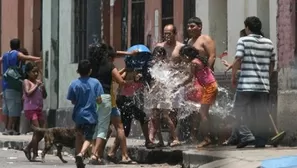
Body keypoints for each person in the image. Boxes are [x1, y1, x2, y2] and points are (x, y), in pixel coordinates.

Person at [231, 16, 275, 148]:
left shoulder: (243, 40)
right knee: (261, 114)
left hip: (246, 84)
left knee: (236, 111)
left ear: (247, 28)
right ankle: (261, 141)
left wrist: (233, 77)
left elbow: (238, 59)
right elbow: (272, 63)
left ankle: (246, 135)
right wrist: (267, 77)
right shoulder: (269, 43)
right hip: (263, 85)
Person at [88, 43, 134, 164]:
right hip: (108, 100)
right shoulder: (109, 65)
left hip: (94, 99)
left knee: (98, 128)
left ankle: (96, 155)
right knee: (119, 127)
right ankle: (124, 156)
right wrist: (131, 80)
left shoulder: (92, 66)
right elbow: (120, 81)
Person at [178, 45, 218, 148]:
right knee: (205, 114)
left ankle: (207, 139)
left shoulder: (193, 63)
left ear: (186, 56)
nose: (182, 60)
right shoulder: (199, 60)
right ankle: (212, 136)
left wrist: (178, 84)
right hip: (212, 86)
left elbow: (190, 77)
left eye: (182, 57)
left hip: (209, 87)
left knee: (202, 114)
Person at [67, 59, 103, 168]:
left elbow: (72, 100)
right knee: (89, 137)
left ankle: (78, 158)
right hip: (91, 115)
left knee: (79, 135)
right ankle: (81, 154)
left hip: (78, 115)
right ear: (90, 71)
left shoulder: (74, 83)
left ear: (78, 71)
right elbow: (99, 99)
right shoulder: (96, 83)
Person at [1, 38, 41, 135]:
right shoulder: (16, 54)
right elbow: (27, 57)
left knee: (7, 108)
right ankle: (10, 128)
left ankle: (6, 127)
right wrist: (38, 58)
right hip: (14, 85)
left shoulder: (5, 55)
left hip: (5, 85)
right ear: (18, 46)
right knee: (14, 108)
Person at [148, 46, 181, 147]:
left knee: (166, 117)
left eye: (160, 55)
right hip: (155, 94)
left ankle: (175, 138)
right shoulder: (154, 66)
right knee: (155, 118)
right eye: (156, 55)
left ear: (163, 56)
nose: (157, 57)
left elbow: (166, 80)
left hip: (163, 94)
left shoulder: (165, 66)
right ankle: (160, 141)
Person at [22, 62, 47, 161]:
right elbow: (28, 93)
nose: (36, 74)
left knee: (43, 131)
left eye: (37, 72)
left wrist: (43, 89)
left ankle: (28, 148)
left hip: (39, 109)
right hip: (30, 109)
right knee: (37, 131)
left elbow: (44, 96)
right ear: (28, 72)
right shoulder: (26, 81)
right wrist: (36, 85)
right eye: (33, 72)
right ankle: (35, 154)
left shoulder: (38, 83)